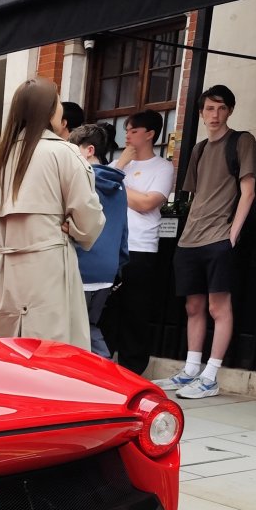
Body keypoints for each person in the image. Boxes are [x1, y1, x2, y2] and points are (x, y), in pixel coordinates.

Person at [0, 79, 104, 349]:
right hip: (48, 265)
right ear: (48, 111)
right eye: (58, 104)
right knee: (52, 353)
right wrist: (74, 228)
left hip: (8, 270)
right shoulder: (64, 152)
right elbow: (88, 217)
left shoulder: (3, 157)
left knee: (9, 351)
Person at [157, 85, 256, 399]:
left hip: (219, 237)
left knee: (219, 307)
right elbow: (195, 195)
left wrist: (233, 233)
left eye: (221, 108)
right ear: (201, 113)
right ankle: (190, 370)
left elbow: (249, 191)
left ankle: (211, 376)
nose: (215, 115)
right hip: (190, 240)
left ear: (229, 110)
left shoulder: (242, 141)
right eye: (209, 109)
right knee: (193, 306)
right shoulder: (199, 149)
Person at [109, 109, 176, 374]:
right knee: (108, 309)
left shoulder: (163, 167)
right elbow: (99, 190)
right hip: (112, 244)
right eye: (126, 130)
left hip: (141, 247)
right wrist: (121, 166)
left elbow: (148, 203)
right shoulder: (119, 165)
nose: (127, 135)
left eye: (133, 130)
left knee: (135, 310)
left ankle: (132, 369)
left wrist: (118, 187)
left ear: (149, 134)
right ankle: (105, 364)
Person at [69, 124, 129, 359]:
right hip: (107, 269)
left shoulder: (84, 181)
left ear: (89, 150)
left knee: (76, 330)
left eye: (74, 152)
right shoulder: (120, 184)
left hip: (81, 265)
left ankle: (104, 376)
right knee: (90, 326)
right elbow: (123, 229)